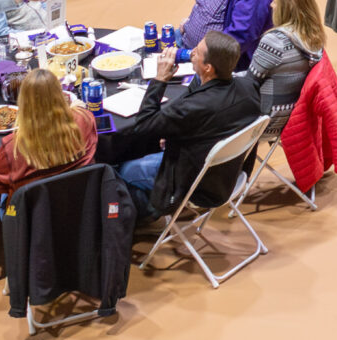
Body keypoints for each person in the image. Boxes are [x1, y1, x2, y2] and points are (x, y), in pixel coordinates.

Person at [110, 30, 263, 222]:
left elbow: (144, 125)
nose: (191, 53)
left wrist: (160, 79)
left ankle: (146, 215)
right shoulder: (249, 87)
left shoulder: (194, 107)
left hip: (194, 183)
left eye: (197, 52)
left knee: (124, 170)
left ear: (208, 67)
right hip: (230, 173)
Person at [0, 66, 99, 200]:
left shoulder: (13, 147)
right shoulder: (84, 118)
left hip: (33, 215)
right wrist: (76, 109)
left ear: (23, 102)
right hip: (82, 204)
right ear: (61, 95)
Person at [247, 0, 327, 109]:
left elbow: (250, 82)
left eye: (275, 2)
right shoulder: (315, 39)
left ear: (286, 9)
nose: (271, 5)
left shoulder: (274, 41)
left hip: (267, 116)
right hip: (296, 111)